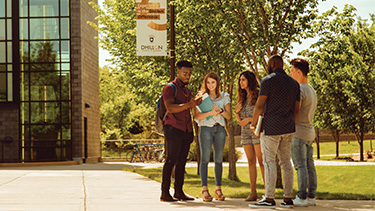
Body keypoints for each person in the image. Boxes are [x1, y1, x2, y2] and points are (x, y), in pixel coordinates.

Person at [249, 55, 300, 209]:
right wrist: (291, 123)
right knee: (285, 162)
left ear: (272, 64)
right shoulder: (294, 83)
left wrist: (253, 123)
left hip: (271, 127)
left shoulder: (267, 80)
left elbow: (259, 105)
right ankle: (288, 199)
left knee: (269, 161)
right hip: (288, 127)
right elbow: (296, 109)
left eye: (268, 64)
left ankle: (269, 198)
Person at [160, 60, 202, 202]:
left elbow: (190, 107)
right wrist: (190, 104)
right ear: (178, 72)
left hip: (186, 129)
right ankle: (164, 193)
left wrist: (196, 102)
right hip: (172, 128)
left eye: (189, 74)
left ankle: (179, 192)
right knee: (171, 159)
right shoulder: (169, 88)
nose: (187, 76)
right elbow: (170, 108)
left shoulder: (186, 90)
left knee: (182, 161)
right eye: (185, 73)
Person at [193, 72, 231, 202]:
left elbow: (229, 116)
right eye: (208, 82)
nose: (211, 85)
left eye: (213, 82)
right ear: (205, 83)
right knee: (204, 160)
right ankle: (204, 190)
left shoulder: (224, 96)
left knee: (219, 160)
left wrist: (220, 111)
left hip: (219, 129)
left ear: (217, 83)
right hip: (205, 130)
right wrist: (210, 112)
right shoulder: (201, 97)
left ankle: (218, 190)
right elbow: (197, 116)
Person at [289, 58, 317, 207]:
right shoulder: (311, 89)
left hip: (299, 132)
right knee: (309, 165)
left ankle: (301, 197)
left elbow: (296, 110)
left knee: (300, 165)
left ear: (299, 72)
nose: (290, 73)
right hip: (309, 132)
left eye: (292, 70)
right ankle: (311, 196)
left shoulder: (299, 90)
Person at [234, 71, 265, 201]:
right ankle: (253, 193)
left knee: (261, 162)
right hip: (245, 133)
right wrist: (236, 112)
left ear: (250, 81)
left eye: (243, 80)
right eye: (240, 80)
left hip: (256, 131)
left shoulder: (258, 95)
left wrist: (248, 120)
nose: (241, 82)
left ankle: (268, 193)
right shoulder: (242, 97)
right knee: (251, 161)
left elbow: (262, 114)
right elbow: (240, 121)